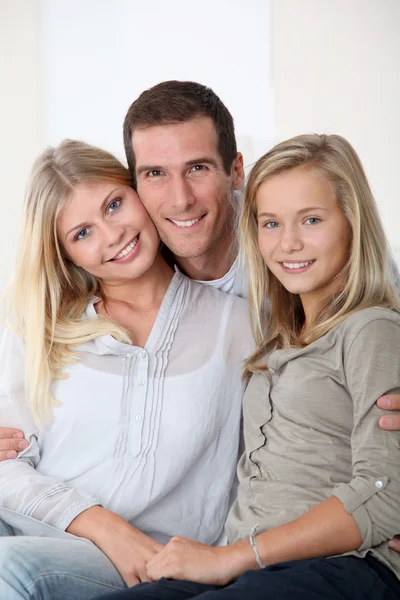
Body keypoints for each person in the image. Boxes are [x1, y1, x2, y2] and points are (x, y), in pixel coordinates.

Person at [2, 81, 399, 466]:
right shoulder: (120, 266)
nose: (180, 199)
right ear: (135, 181)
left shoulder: (293, 243)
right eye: (156, 173)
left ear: (237, 170)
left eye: (197, 167)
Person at [97, 134, 400, 600]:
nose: (289, 243)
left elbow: (385, 492)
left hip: (344, 569)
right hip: (255, 570)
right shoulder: (275, 337)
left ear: (353, 223)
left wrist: (227, 558)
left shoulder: (370, 328)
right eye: (271, 223)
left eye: (312, 219)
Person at [0, 140, 253, 599]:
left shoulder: (238, 325)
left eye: (114, 205)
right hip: (34, 534)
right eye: (82, 233)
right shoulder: (40, 329)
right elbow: (6, 465)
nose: (112, 234)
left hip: (152, 564)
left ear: (137, 193)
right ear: (66, 255)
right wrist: (104, 526)